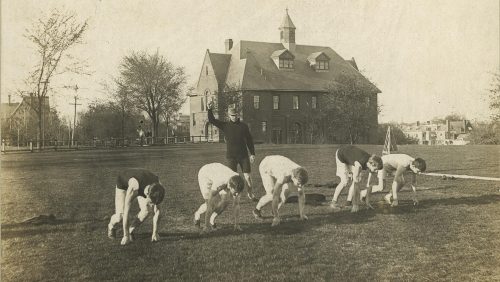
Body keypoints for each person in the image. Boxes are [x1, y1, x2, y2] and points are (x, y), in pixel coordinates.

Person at [207, 102, 257, 201]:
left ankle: (251, 194)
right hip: (231, 157)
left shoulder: (244, 126)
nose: (234, 117)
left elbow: (249, 140)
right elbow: (212, 120)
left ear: (237, 115)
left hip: (243, 156)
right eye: (232, 115)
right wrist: (209, 109)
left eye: (235, 115)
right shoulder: (225, 125)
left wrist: (252, 154)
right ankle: (235, 196)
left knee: (248, 177)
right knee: (232, 179)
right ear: (229, 116)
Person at [107, 169, 165, 246]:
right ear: (147, 194)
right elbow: (126, 212)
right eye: (151, 202)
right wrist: (125, 236)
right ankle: (111, 226)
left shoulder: (158, 188)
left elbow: (158, 211)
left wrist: (155, 233)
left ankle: (131, 230)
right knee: (120, 216)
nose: (152, 205)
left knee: (147, 211)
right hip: (123, 184)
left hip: (143, 183)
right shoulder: (134, 187)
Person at [253, 155, 309, 227]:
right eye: (299, 184)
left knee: (286, 194)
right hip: (265, 166)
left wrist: (302, 214)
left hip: (278, 164)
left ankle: (274, 211)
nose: (300, 186)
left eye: (302, 184)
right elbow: (275, 195)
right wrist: (276, 218)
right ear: (293, 177)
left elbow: (301, 195)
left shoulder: (300, 173)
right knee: (271, 194)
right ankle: (257, 210)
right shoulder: (284, 176)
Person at [330, 145, 383, 212]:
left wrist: (367, 202)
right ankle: (333, 203)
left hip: (351, 155)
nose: (376, 171)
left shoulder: (370, 162)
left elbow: (370, 184)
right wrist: (356, 205)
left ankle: (348, 203)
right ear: (372, 164)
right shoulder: (359, 165)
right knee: (345, 181)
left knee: (359, 178)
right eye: (376, 169)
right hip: (341, 155)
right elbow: (356, 183)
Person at [194, 163, 245, 231]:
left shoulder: (238, 182)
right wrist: (206, 226)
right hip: (205, 175)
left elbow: (236, 204)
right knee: (210, 204)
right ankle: (197, 215)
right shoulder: (220, 181)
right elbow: (210, 202)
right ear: (230, 186)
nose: (237, 194)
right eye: (235, 192)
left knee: (226, 201)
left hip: (220, 175)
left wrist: (237, 225)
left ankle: (212, 220)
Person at [362, 154, 426, 207]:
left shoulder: (415, 163)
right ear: (414, 166)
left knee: (402, 182)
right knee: (381, 187)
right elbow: (395, 182)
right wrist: (395, 200)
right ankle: (362, 193)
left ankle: (388, 196)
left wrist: (415, 196)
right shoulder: (404, 164)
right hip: (383, 164)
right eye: (418, 171)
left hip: (392, 166)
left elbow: (413, 182)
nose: (419, 173)